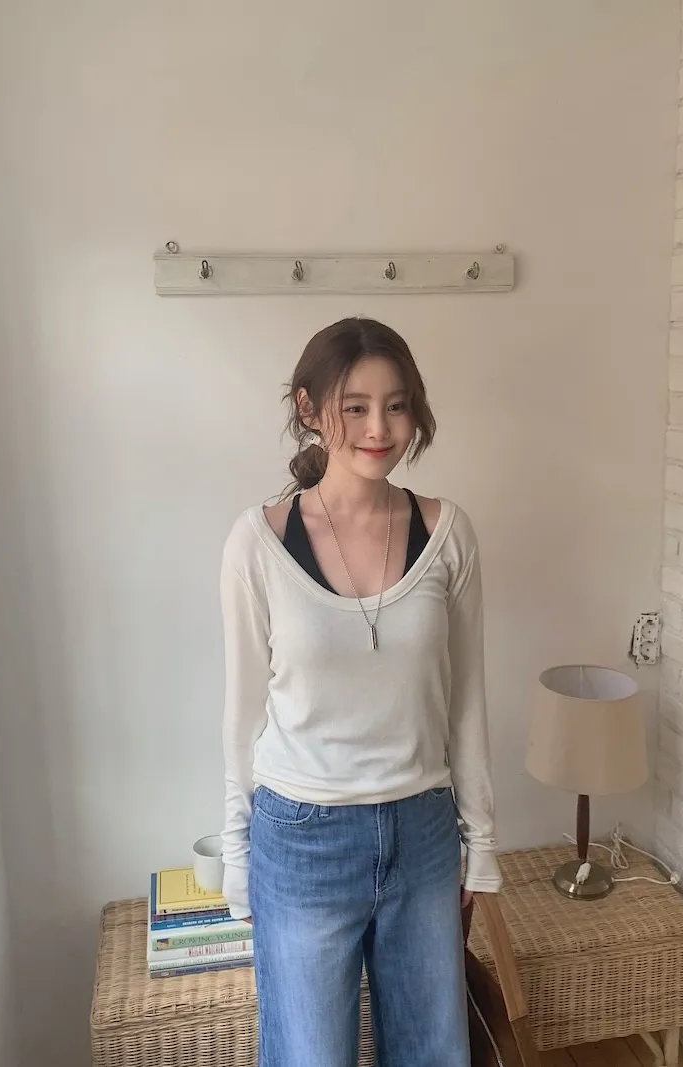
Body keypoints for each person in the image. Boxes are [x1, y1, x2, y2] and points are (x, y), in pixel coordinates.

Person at [220, 317, 501, 1067]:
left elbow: (467, 702)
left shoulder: (448, 533)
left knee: (435, 1053)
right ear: (309, 408)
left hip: (423, 833)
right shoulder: (257, 543)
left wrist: (481, 842)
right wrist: (236, 854)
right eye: (356, 406)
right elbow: (242, 715)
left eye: (397, 405)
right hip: (301, 838)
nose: (380, 428)